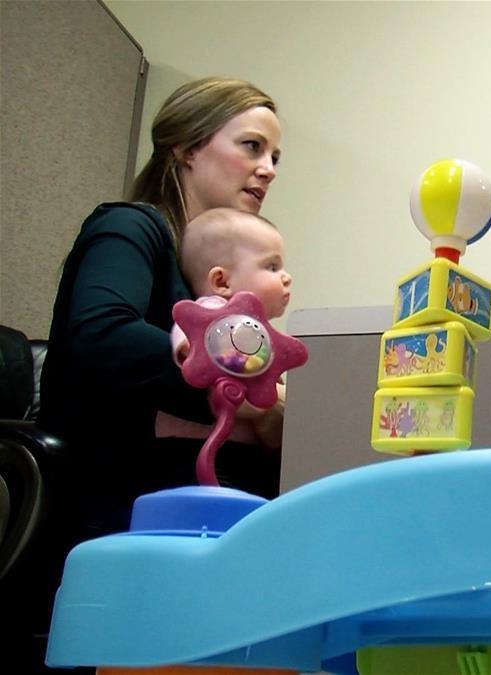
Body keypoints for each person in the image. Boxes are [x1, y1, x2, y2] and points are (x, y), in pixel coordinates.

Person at [22, 77, 284, 671]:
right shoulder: (131, 226)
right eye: (251, 146)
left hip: (198, 518)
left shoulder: (220, 274)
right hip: (120, 504)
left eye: (274, 157)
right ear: (188, 148)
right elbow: (101, 335)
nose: (267, 168)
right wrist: (244, 398)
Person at [163, 207, 293, 445]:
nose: (287, 277)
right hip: (198, 453)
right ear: (222, 281)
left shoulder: (258, 333)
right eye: (272, 267)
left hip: (235, 452)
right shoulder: (208, 315)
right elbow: (200, 355)